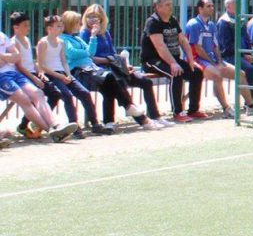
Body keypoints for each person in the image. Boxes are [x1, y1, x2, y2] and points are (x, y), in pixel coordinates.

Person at [62, 10, 156, 130]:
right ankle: (131, 109)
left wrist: (93, 36)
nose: (80, 24)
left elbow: (91, 52)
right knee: (112, 79)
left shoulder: (77, 38)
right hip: (80, 72)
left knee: (110, 85)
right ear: (70, 23)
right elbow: (73, 53)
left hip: (93, 70)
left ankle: (114, 120)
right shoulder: (65, 39)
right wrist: (88, 53)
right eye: (77, 22)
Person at [84, 4, 164, 122]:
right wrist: (108, 59)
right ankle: (137, 119)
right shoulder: (85, 33)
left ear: (101, 19)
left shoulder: (105, 33)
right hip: (98, 71)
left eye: (95, 17)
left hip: (114, 67)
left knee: (145, 82)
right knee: (115, 84)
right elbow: (88, 58)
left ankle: (155, 116)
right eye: (89, 16)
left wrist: (124, 65)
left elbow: (112, 53)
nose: (92, 20)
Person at [0, 13, 70, 141]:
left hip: (15, 74)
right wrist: (8, 57)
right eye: (25, 25)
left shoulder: (2, 36)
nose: (29, 28)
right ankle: (52, 131)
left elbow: (16, 57)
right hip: (3, 77)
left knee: (38, 93)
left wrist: (3, 56)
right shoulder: (14, 40)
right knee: (25, 99)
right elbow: (14, 62)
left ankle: (55, 125)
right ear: (16, 27)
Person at [142, 0, 203, 121]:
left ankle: (193, 110)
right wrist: (173, 63)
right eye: (167, 5)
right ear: (158, 7)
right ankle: (178, 112)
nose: (171, 7)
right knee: (176, 73)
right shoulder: (152, 22)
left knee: (197, 72)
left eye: (171, 4)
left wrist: (191, 60)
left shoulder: (172, 20)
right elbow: (160, 46)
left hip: (173, 59)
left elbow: (183, 40)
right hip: (152, 60)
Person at [37, 14, 101, 132]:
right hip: (51, 75)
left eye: (61, 26)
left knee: (85, 93)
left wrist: (68, 75)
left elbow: (63, 61)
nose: (61, 28)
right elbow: (41, 65)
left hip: (63, 73)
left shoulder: (61, 42)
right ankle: (74, 126)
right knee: (67, 95)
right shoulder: (43, 43)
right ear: (49, 28)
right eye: (58, 26)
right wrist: (60, 76)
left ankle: (95, 124)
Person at [184, 0, 234, 115]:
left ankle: (250, 105)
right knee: (217, 75)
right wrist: (212, 63)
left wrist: (219, 61)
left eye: (212, 6)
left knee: (240, 74)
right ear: (200, 8)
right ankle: (226, 108)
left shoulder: (211, 25)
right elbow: (197, 48)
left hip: (210, 59)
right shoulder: (193, 24)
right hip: (196, 59)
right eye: (208, 6)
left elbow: (215, 46)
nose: (212, 8)